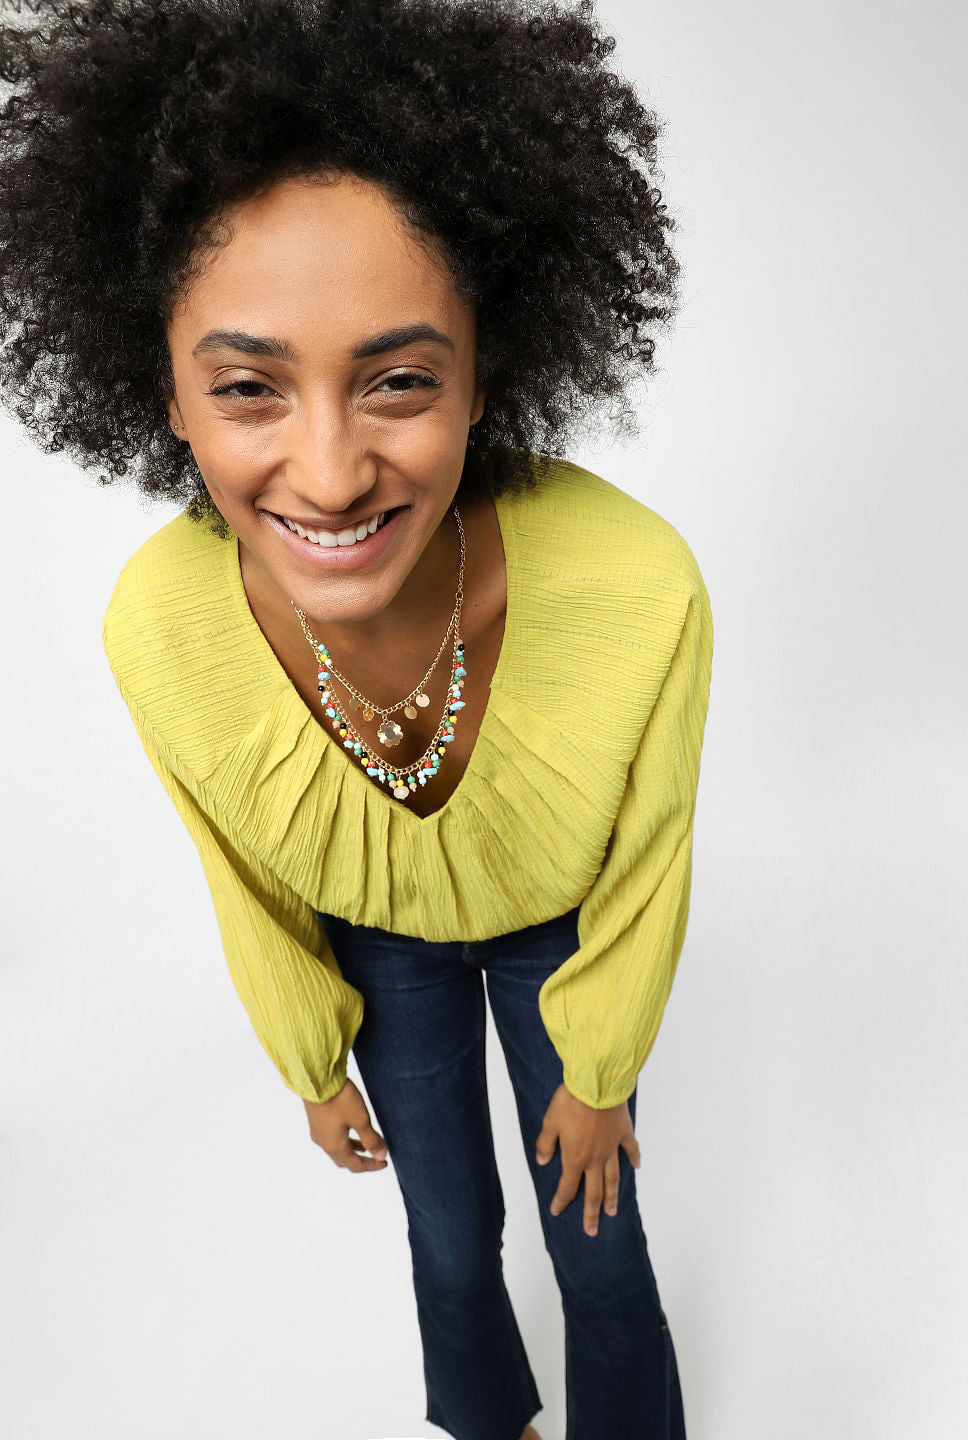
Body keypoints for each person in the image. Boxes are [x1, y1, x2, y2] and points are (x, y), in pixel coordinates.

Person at [0, 1, 712, 1435]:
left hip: (559, 927)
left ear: (483, 377)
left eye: (398, 379)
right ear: (169, 399)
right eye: (250, 387)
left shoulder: (638, 585)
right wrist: (309, 1057)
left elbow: (653, 852)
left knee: (599, 1238)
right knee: (449, 1243)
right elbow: (241, 872)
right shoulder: (162, 627)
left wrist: (601, 1070)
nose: (328, 475)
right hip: (383, 957)